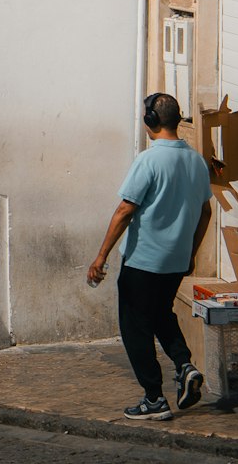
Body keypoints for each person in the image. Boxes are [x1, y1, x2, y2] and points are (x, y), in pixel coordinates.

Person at [87, 92, 212, 420]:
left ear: (150, 122)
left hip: (143, 261)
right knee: (161, 315)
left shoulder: (149, 160)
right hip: (175, 263)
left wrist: (101, 257)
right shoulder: (197, 161)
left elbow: (125, 210)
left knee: (134, 327)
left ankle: (154, 398)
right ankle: (184, 365)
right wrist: (192, 254)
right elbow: (206, 212)